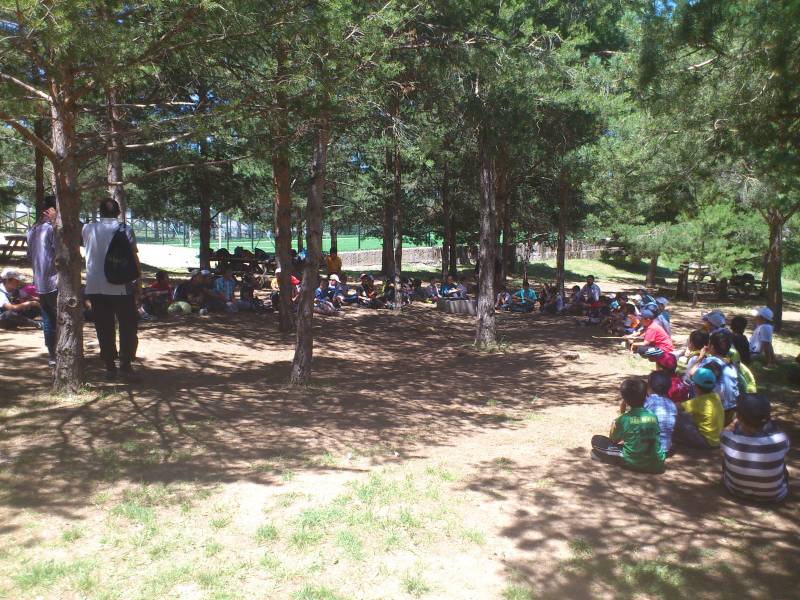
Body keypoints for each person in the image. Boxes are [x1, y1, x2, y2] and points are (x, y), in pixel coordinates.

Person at [82, 199, 140, 379]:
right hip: (120, 286)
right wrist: (138, 281)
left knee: (103, 327)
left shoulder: (87, 229)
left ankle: (109, 366)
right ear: (118, 212)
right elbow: (133, 256)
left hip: (95, 286)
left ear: (100, 212)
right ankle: (125, 364)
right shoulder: (125, 229)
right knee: (127, 326)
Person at [720, 394, 789, 503]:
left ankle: (739, 481)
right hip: (773, 496)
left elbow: (725, 431)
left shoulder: (727, 437)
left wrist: (734, 422)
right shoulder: (781, 439)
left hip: (735, 491)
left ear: (739, 417)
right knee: (780, 461)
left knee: (726, 456)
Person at [590, 377, 665, 473]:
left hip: (633, 462)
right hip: (657, 464)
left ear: (625, 399)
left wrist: (621, 414)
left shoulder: (623, 419)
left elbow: (614, 440)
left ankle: (612, 460)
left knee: (596, 440)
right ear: (645, 396)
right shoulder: (653, 416)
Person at [26, 195, 58, 366]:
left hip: (40, 282)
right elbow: (62, 252)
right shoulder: (52, 229)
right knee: (61, 319)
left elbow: (29, 255)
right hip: (54, 281)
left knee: (48, 320)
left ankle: (52, 354)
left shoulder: (32, 229)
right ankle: (61, 353)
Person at [690, 331, 739, 422]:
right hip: (732, 408)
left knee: (693, 384)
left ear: (712, 347)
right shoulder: (731, 364)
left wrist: (701, 356)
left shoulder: (710, 361)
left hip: (719, 409)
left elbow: (692, 374)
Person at [674, 367, 724, 449]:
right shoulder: (716, 396)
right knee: (687, 416)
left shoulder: (699, 402)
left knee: (679, 416)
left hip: (705, 442)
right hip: (716, 440)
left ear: (696, 386)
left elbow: (677, 407)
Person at [645, 371, 677, 455]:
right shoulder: (672, 404)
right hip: (666, 449)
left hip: (648, 449)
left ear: (649, 387)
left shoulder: (648, 401)